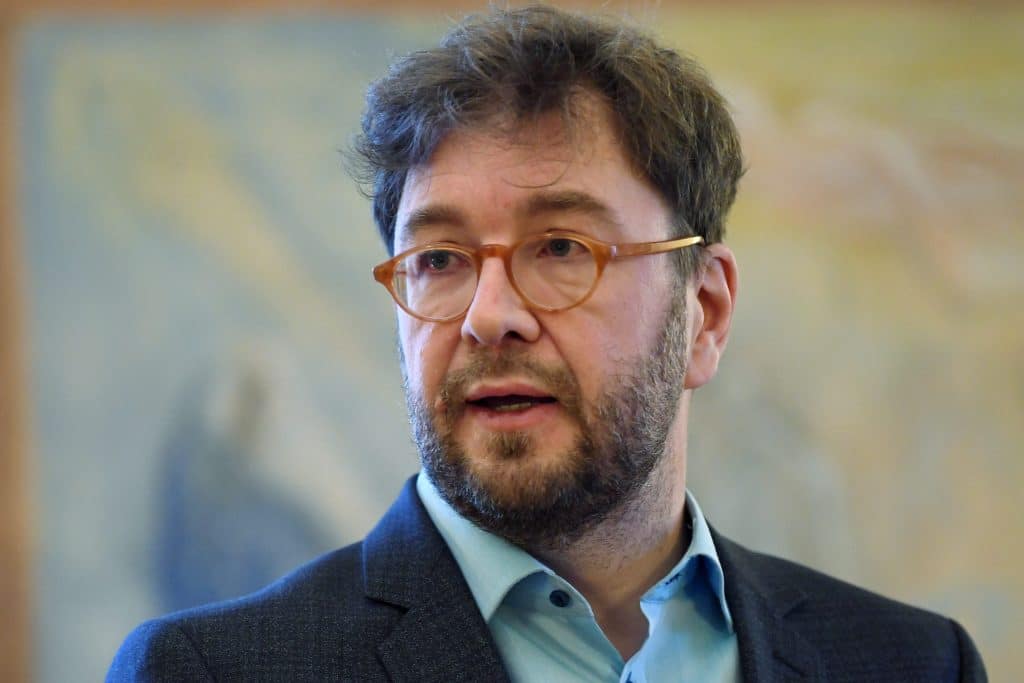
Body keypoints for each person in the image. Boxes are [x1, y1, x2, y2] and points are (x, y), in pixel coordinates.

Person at [108, 5, 987, 682]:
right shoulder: (210, 672)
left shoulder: (914, 664)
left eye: (561, 247)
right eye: (439, 258)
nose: (489, 315)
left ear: (706, 310)